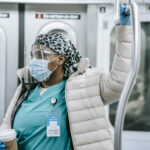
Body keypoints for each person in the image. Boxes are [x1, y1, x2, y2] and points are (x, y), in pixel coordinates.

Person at [0, 4, 132, 150]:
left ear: (61, 59)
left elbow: (119, 84)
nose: (35, 61)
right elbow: (7, 126)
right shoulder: (26, 89)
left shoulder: (85, 84)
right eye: (33, 55)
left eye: (42, 55)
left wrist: (124, 32)